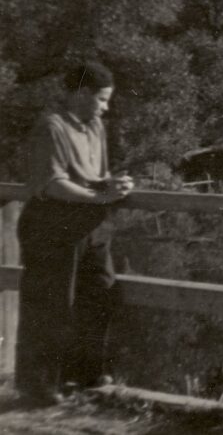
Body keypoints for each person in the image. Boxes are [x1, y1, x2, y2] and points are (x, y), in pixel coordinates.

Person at [15, 61, 134, 404]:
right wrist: (102, 196)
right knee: (52, 304)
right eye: (101, 99)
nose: (105, 107)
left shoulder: (95, 125)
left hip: (90, 225)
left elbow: (93, 176)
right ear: (81, 94)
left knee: (100, 292)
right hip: (52, 225)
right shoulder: (50, 127)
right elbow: (53, 184)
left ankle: (83, 375)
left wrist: (113, 183)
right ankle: (39, 387)